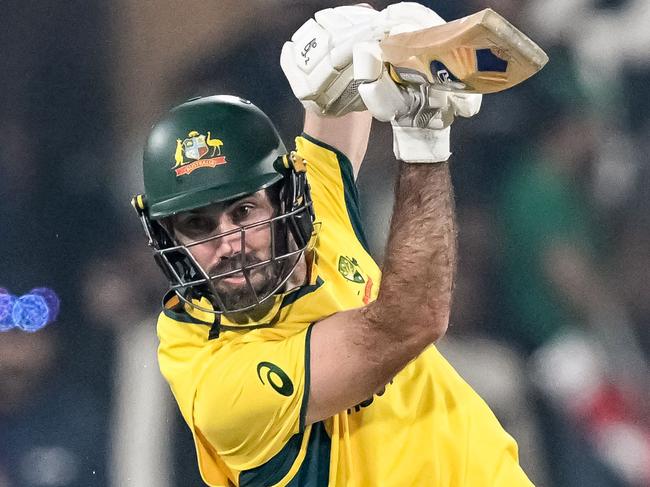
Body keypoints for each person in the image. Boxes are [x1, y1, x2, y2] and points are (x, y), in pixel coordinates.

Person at [133, 3, 533, 486]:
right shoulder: (216, 382)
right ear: (169, 240)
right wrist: (423, 137)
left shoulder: (311, 208)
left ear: (285, 200)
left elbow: (340, 90)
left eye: (243, 212)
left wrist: (369, 35)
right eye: (198, 226)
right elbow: (408, 324)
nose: (229, 244)